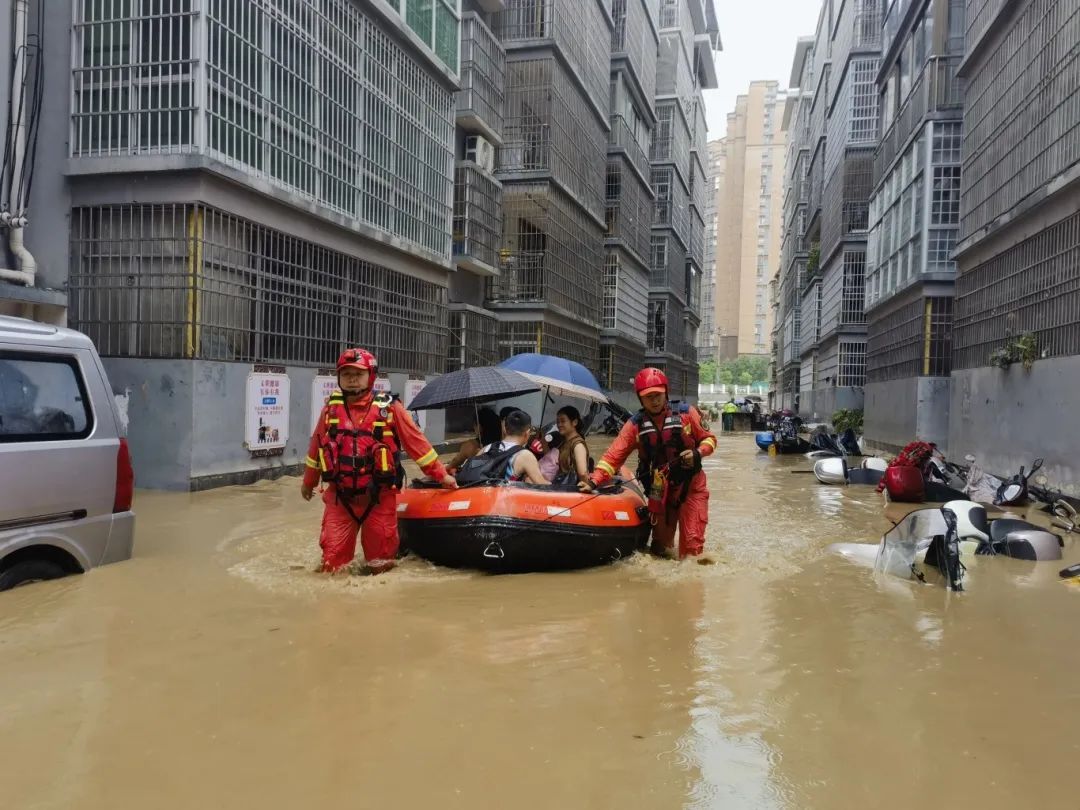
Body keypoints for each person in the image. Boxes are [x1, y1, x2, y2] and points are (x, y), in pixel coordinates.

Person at [301, 348, 457, 574]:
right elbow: (316, 448)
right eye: (346, 375)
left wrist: (442, 475)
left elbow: (417, 445)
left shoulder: (390, 408)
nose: (352, 380)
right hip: (340, 498)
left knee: (380, 565)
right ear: (338, 378)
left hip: (380, 498)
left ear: (371, 376)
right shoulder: (330, 409)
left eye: (358, 374)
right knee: (331, 566)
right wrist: (308, 482)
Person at [580, 367, 716, 559]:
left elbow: (709, 439)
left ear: (666, 393)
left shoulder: (687, 414)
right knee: (660, 549)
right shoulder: (634, 426)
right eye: (648, 396)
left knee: (692, 546)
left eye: (658, 395)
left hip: (691, 487)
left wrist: (698, 452)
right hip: (659, 489)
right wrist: (593, 481)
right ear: (640, 399)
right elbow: (612, 458)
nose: (654, 400)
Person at [459, 409, 549, 485]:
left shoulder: (487, 448)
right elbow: (542, 485)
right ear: (527, 432)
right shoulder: (525, 455)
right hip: (504, 502)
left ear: (505, 429)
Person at [445, 406, 502, 475]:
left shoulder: (471, 446)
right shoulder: (503, 444)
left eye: (474, 425)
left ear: (479, 427)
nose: (473, 427)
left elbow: (454, 463)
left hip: (477, 482)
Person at [551, 405, 590, 488]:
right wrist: (542, 439)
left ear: (574, 422)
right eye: (558, 422)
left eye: (563, 421)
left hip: (571, 489)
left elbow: (583, 473)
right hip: (561, 485)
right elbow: (551, 460)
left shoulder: (578, 445)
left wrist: (587, 488)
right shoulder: (563, 442)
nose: (559, 424)